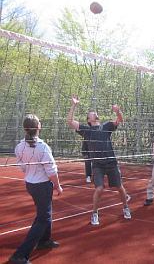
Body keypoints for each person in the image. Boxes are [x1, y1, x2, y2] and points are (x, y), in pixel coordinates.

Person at [67, 95, 131, 225]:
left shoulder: (106, 126)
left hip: (111, 162)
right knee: (99, 189)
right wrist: (74, 105)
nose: (94, 113)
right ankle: (95, 214)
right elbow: (70, 121)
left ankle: (126, 208)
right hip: (97, 165)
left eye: (95, 113)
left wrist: (117, 111)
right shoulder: (86, 130)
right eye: (92, 113)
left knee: (119, 187)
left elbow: (120, 120)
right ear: (89, 119)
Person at [9, 114, 63, 264]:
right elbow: (51, 171)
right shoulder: (43, 147)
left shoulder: (19, 146)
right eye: (39, 122)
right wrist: (58, 186)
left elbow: (22, 167)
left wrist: (32, 170)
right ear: (38, 127)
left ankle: (44, 241)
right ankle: (20, 255)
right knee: (43, 218)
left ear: (25, 128)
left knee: (45, 212)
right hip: (42, 185)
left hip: (31, 184)